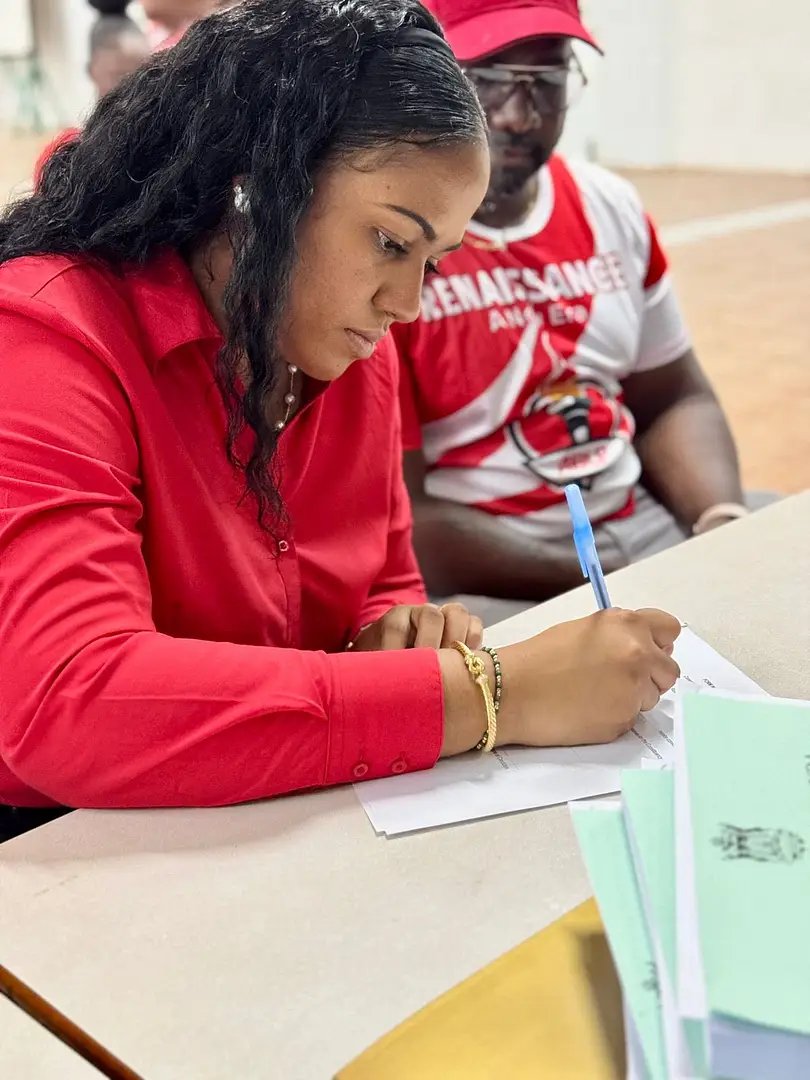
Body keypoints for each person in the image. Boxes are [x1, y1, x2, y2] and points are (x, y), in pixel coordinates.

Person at [0, 0, 680, 839]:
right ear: (255, 190)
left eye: (434, 261)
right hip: (66, 844)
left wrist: (396, 630)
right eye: (392, 244)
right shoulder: (43, 333)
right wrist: (493, 693)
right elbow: (69, 704)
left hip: (276, 810)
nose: (408, 304)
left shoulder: (353, 348)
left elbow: (380, 578)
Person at [396, 0, 752, 625]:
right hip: (483, 575)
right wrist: (605, 579)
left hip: (640, 530)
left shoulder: (606, 205)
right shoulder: (396, 242)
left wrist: (719, 521)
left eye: (547, 82)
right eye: (488, 80)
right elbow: (395, 515)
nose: (517, 115)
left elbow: (673, 395)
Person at [32, 2, 149, 185]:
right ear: (92, 70)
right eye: (118, 75)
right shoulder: (65, 154)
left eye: (141, 74)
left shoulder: (152, 140)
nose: (130, 85)